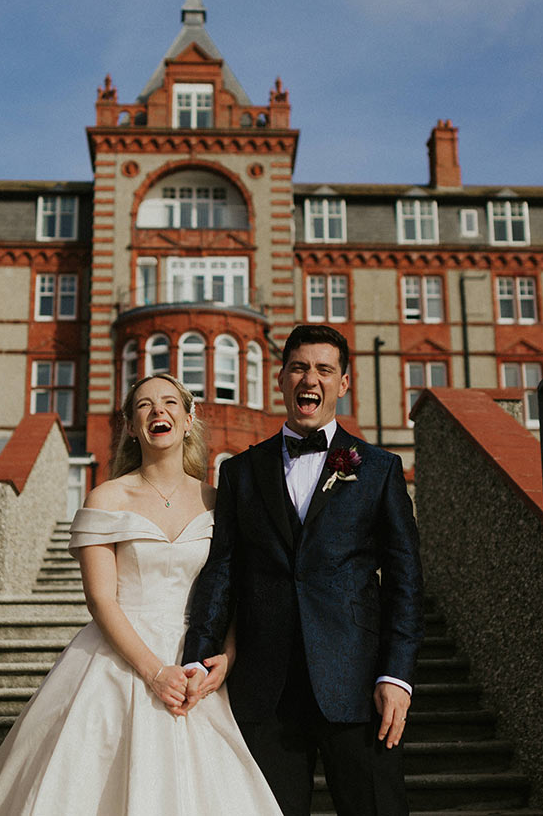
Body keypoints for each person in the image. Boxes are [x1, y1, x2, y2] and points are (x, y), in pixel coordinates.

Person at [0, 373, 282, 816]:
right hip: (120, 657)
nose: (159, 411)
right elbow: (100, 600)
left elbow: (230, 588)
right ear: (131, 426)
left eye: (170, 403)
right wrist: (154, 673)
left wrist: (225, 656)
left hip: (197, 664)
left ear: (189, 419)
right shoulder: (107, 497)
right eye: (144, 405)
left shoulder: (218, 501)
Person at [181, 324, 424, 816]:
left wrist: (396, 676)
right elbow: (222, 570)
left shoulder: (377, 469)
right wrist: (200, 655)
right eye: (298, 367)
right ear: (281, 378)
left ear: (343, 383)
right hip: (263, 690)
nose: (309, 378)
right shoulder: (240, 472)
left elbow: (405, 581)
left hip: (357, 690)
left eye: (323, 369)